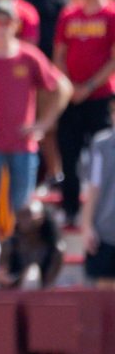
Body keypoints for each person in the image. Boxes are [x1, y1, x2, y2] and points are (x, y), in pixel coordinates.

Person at [0, 0, 72, 214]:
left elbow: (62, 88)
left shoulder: (28, 56)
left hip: (23, 145)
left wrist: (43, 124)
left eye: (6, 22)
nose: (1, 28)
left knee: (22, 207)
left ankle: (17, 245)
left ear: (15, 25)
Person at [53, 0, 115, 225]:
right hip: (72, 98)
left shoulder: (112, 15)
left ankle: (103, 209)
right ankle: (70, 208)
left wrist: (88, 86)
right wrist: (70, 87)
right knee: (69, 152)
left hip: (101, 97)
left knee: (104, 155)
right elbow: (59, 55)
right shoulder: (68, 15)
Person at [80, 99, 115, 289]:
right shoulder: (101, 144)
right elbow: (93, 187)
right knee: (105, 291)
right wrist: (86, 226)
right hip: (106, 230)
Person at [0, 200, 64, 289]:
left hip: (41, 296)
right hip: (13, 294)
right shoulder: (9, 245)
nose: (22, 219)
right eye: (20, 215)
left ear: (41, 218)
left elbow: (49, 283)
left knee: (33, 273)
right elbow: (3, 278)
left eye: (27, 215)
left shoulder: (55, 249)